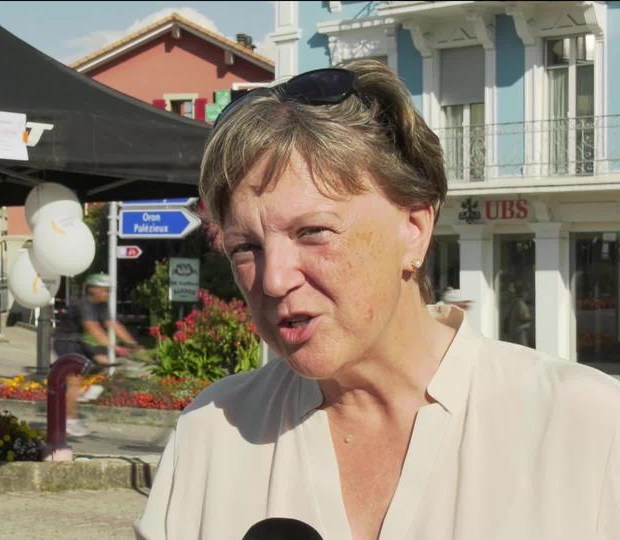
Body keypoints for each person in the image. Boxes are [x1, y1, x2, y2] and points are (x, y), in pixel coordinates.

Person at [136, 60, 620, 540]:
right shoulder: (213, 432)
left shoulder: (586, 426)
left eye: (314, 232)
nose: (274, 280)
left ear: (414, 228)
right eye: (247, 248)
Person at [53, 273, 139, 437]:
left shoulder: (101, 305)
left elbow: (113, 324)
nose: (107, 293)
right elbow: (93, 328)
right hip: (65, 342)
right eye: (105, 290)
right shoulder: (84, 304)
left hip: (78, 342)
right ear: (94, 290)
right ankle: (70, 422)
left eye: (109, 290)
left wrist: (132, 344)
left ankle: (84, 394)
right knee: (74, 380)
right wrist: (116, 348)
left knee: (105, 364)